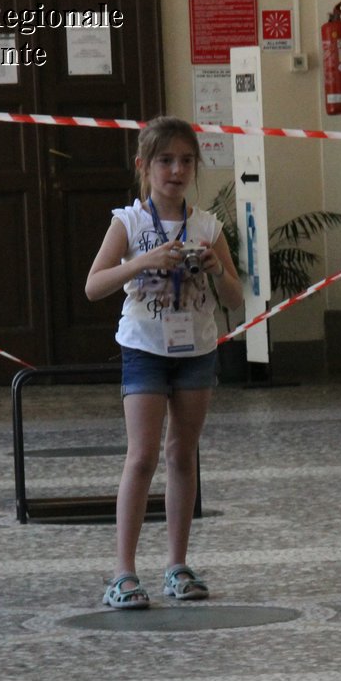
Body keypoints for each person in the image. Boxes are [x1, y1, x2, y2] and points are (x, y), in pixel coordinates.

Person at [85, 116, 243, 609]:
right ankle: (123, 572)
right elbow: (94, 285)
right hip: (144, 349)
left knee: (182, 454)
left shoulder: (207, 226)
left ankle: (177, 563)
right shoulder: (129, 222)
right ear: (144, 166)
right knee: (142, 456)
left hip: (196, 350)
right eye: (165, 160)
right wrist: (142, 262)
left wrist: (217, 269)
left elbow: (236, 299)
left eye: (186, 161)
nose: (176, 170)